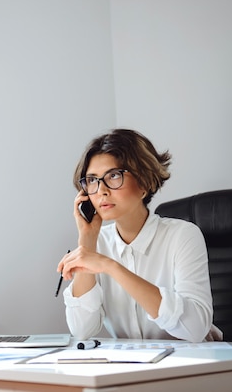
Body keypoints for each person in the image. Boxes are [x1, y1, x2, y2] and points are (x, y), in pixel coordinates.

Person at [57, 129, 220, 342]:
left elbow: (196, 329)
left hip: (191, 366)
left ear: (143, 183)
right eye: (92, 180)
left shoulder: (183, 236)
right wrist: (86, 241)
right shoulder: (99, 244)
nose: (102, 191)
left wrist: (111, 267)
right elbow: (82, 331)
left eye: (114, 176)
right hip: (132, 369)